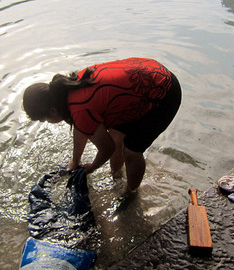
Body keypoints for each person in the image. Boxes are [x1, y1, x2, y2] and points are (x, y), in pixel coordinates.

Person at [23, 58, 181, 194]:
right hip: (150, 72)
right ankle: (117, 175)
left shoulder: (79, 108)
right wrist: (75, 161)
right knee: (115, 134)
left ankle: (131, 193)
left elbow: (107, 148)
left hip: (164, 91)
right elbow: (81, 129)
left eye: (44, 120)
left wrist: (92, 167)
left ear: (52, 111)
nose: (48, 123)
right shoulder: (68, 89)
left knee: (131, 152)